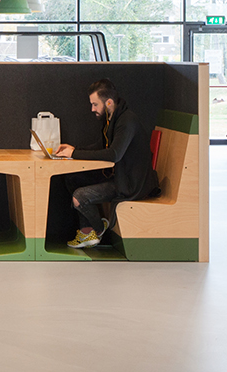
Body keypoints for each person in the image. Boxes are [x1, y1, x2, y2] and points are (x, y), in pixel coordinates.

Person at [54, 79, 157, 248]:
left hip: (130, 184)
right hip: (118, 176)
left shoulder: (127, 121)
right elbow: (103, 145)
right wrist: (74, 149)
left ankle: (98, 228)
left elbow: (114, 154)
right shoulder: (112, 118)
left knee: (80, 196)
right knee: (73, 179)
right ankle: (87, 231)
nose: (92, 109)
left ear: (108, 102)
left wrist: (74, 154)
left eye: (95, 104)